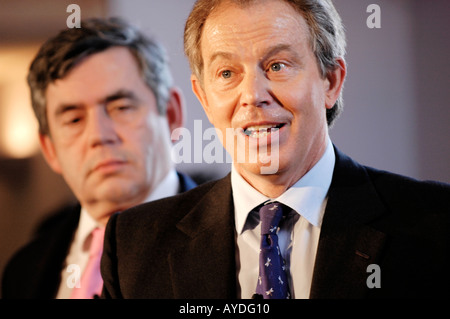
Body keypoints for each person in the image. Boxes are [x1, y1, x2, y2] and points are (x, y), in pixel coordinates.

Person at [100, 0, 450, 299]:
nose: (253, 95)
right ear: (203, 98)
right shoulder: (133, 247)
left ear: (331, 81)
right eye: (226, 73)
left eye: (277, 66)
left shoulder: (437, 224)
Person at [1, 17, 196, 299]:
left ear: (171, 116)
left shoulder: (234, 240)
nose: (99, 135)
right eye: (74, 119)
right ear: (50, 149)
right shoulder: (23, 269)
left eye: (121, 107)